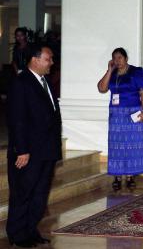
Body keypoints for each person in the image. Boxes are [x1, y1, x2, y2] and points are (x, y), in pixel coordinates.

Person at [6, 44, 61, 247]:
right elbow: (17, 119)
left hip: (46, 150)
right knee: (23, 194)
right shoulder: (21, 82)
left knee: (39, 195)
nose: (52, 63)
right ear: (35, 60)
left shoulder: (44, 81)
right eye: (49, 59)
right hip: (28, 152)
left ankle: (30, 231)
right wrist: (22, 150)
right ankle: (18, 235)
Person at [97, 47, 143, 190]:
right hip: (116, 114)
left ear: (126, 58)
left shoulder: (137, 71)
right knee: (116, 145)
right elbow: (102, 88)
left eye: (120, 57)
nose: (117, 60)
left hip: (133, 111)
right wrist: (109, 70)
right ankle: (117, 176)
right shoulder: (112, 73)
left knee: (132, 144)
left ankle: (131, 176)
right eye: (114, 58)